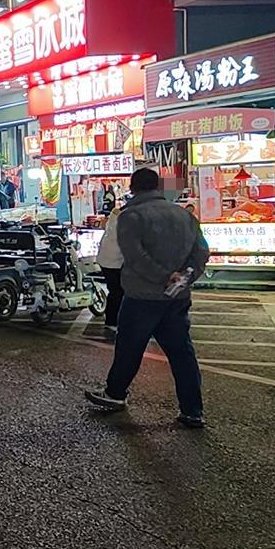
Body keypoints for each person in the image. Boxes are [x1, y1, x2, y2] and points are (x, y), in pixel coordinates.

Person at [85, 168, 210, 428]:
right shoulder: (184, 216)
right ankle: (192, 410)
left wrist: (165, 277)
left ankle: (115, 393)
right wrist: (182, 279)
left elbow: (135, 257)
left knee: (129, 349)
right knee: (182, 353)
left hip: (142, 297)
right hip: (176, 298)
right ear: (158, 187)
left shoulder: (131, 216)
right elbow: (201, 253)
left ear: (132, 188)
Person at [97, 206, 125, 336]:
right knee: (117, 292)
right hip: (114, 262)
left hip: (106, 261)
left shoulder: (113, 220)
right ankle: (112, 321)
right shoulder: (122, 223)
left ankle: (112, 320)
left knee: (115, 291)